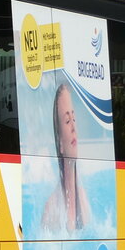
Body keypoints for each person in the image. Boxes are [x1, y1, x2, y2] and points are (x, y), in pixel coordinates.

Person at [41, 82, 91, 233]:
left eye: (74, 119)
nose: (74, 127)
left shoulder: (83, 199)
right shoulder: (51, 209)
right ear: (60, 144)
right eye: (68, 121)